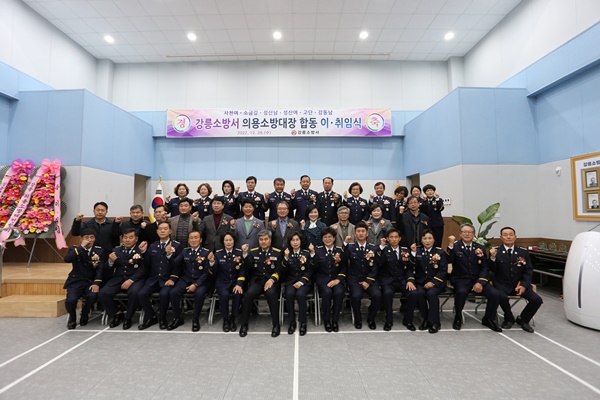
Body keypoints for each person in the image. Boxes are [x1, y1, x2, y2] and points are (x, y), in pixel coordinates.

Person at [446, 224, 501, 332]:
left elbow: (485, 267)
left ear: (474, 234)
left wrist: (480, 282)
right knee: (461, 292)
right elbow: (450, 260)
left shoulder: (480, 247)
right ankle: (458, 317)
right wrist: (450, 246)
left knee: (495, 294)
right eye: (464, 232)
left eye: (470, 232)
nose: (467, 234)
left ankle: (488, 319)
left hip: (477, 279)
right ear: (460, 234)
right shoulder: (455, 246)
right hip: (461, 279)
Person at [489, 227, 543, 333]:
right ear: (501, 237)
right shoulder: (495, 251)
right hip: (502, 284)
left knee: (537, 300)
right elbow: (491, 270)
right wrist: (492, 258)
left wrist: (524, 285)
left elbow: (528, 271)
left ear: (515, 237)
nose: (508, 237)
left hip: (520, 284)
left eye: (511, 234)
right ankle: (509, 318)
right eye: (505, 235)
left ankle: (523, 319)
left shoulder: (523, 252)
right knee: (501, 296)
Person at [98, 229, 148, 329]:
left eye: (130, 237)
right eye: (125, 237)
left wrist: (130, 280)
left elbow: (144, 269)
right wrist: (110, 261)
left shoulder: (141, 250)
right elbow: (107, 268)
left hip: (135, 279)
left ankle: (128, 318)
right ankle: (117, 313)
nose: (127, 240)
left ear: (136, 239)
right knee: (103, 293)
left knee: (134, 293)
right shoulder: (117, 250)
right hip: (119, 278)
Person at [137, 221, 183, 330]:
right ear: (157, 232)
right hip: (154, 279)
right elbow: (147, 264)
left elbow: (179, 265)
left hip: (168, 279)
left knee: (164, 294)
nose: (162, 231)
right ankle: (151, 316)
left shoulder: (177, 246)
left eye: (165, 229)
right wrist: (144, 252)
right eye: (160, 229)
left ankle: (162, 319)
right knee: (141, 294)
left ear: (170, 231)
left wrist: (173, 278)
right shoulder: (153, 245)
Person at [238, 230, 283, 338]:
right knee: (248, 295)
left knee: (271, 294)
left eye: (266, 239)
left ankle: (276, 325)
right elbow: (248, 267)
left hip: (271, 281)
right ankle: (244, 324)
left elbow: (279, 270)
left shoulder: (277, 252)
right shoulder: (253, 252)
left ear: (270, 240)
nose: (263, 241)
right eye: (261, 239)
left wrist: (272, 279)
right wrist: (245, 254)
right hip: (258, 281)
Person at [169, 230, 214, 331]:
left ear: (200, 240)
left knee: (199, 293)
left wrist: (196, 284)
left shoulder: (206, 252)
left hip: (201, 281)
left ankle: (195, 319)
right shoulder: (184, 251)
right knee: (173, 292)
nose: (193, 240)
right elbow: (175, 264)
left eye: (196, 238)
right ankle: (177, 318)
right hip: (186, 279)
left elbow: (206, 273)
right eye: (191, 238)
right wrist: (169, 254)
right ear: (188, 241)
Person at [378, 229, 418, 331]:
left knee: (413, 293)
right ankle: (389, 320)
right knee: (387, 294)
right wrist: (381, 248)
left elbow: (409, 268)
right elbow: (379, 264)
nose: (394, 239)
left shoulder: (406, 250)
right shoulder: (384, 250)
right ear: (387, 239)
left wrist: (410, 280)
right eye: (391, 237)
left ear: (400, 238)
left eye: (396, 237)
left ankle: (408, 320)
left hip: (402, 281)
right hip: (388, 281)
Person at [63, 229, 104, 329]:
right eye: (86, 237)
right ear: (81, 239)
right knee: (70, 300)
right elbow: (67, 259)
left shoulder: (98, 251)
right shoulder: (75, 249)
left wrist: (96, 283)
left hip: (90, 281)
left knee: (92, 296)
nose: (89, 240)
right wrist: (81, 247)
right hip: (76, 281)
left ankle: (85, 314)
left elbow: (100, 269)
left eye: (92, 237)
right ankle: (72, 318)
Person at [346, 221, 382, 330]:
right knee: (356, 296)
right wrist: (345, 243)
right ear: (355, 234)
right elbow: (342, 259)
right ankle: (358, 319)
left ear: (367, 233)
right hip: (355, 279)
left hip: (370, 279)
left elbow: (375, 267)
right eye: (358, 231)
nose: (361, 233)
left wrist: (368, 281)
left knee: (377, 295)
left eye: (363, 231)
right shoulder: (350, 248)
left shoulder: (373, 248)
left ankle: (371, 318)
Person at [411, 229, 447, 334]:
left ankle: (435, 322)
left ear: (434, 240)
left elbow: (443, 270)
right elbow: (412, 267)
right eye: (424, 238)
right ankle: (426, 319)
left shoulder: (440, 252)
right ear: (421, 240)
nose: (427, 241)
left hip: (436, 283)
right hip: (421, 282)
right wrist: (413, 254)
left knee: (431, 294)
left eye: (430, 238)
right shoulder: (417, 251)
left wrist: (433, 282)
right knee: (420, 293)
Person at [312, 227, 348, 332]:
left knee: (339, 292)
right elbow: (314, 268)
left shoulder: (339, 250)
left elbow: (344, 267)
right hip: (323, 281)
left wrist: (338, 279)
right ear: (322, 239)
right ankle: (327, 320)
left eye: (330, 237)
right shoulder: (318, 250)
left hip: (336, 280)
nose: (327, 239)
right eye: (325, 237)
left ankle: (335, 320)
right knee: (327, 293)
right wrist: (312, 255)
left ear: (334, 238)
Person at [211, 232, 248, 332]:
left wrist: (239, 284)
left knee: (237, 294)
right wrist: (212, 262)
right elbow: (214, 272)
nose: (228, 242)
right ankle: (225, 320)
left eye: (230, 240)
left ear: (234, 241)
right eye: (226, 240)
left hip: (236, 282)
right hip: (222, 282)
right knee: (224, 295)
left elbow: (242, 270)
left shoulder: (239, 253)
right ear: (223, 242)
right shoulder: (218, 254)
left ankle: (233, 319)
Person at [282, 232, 314, 336]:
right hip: (290, 281)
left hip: (304, 282)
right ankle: (292, 321)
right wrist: (286, 258)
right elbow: (283, 272)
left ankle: (303, 322)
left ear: (301, 241)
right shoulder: (287, 253)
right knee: (289, 294)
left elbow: (310, 271)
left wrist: (301, 282)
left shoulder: (306, 253)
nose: (295, 242)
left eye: (297, 240)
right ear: (289, 242)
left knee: (301, 295)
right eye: (293, 240)